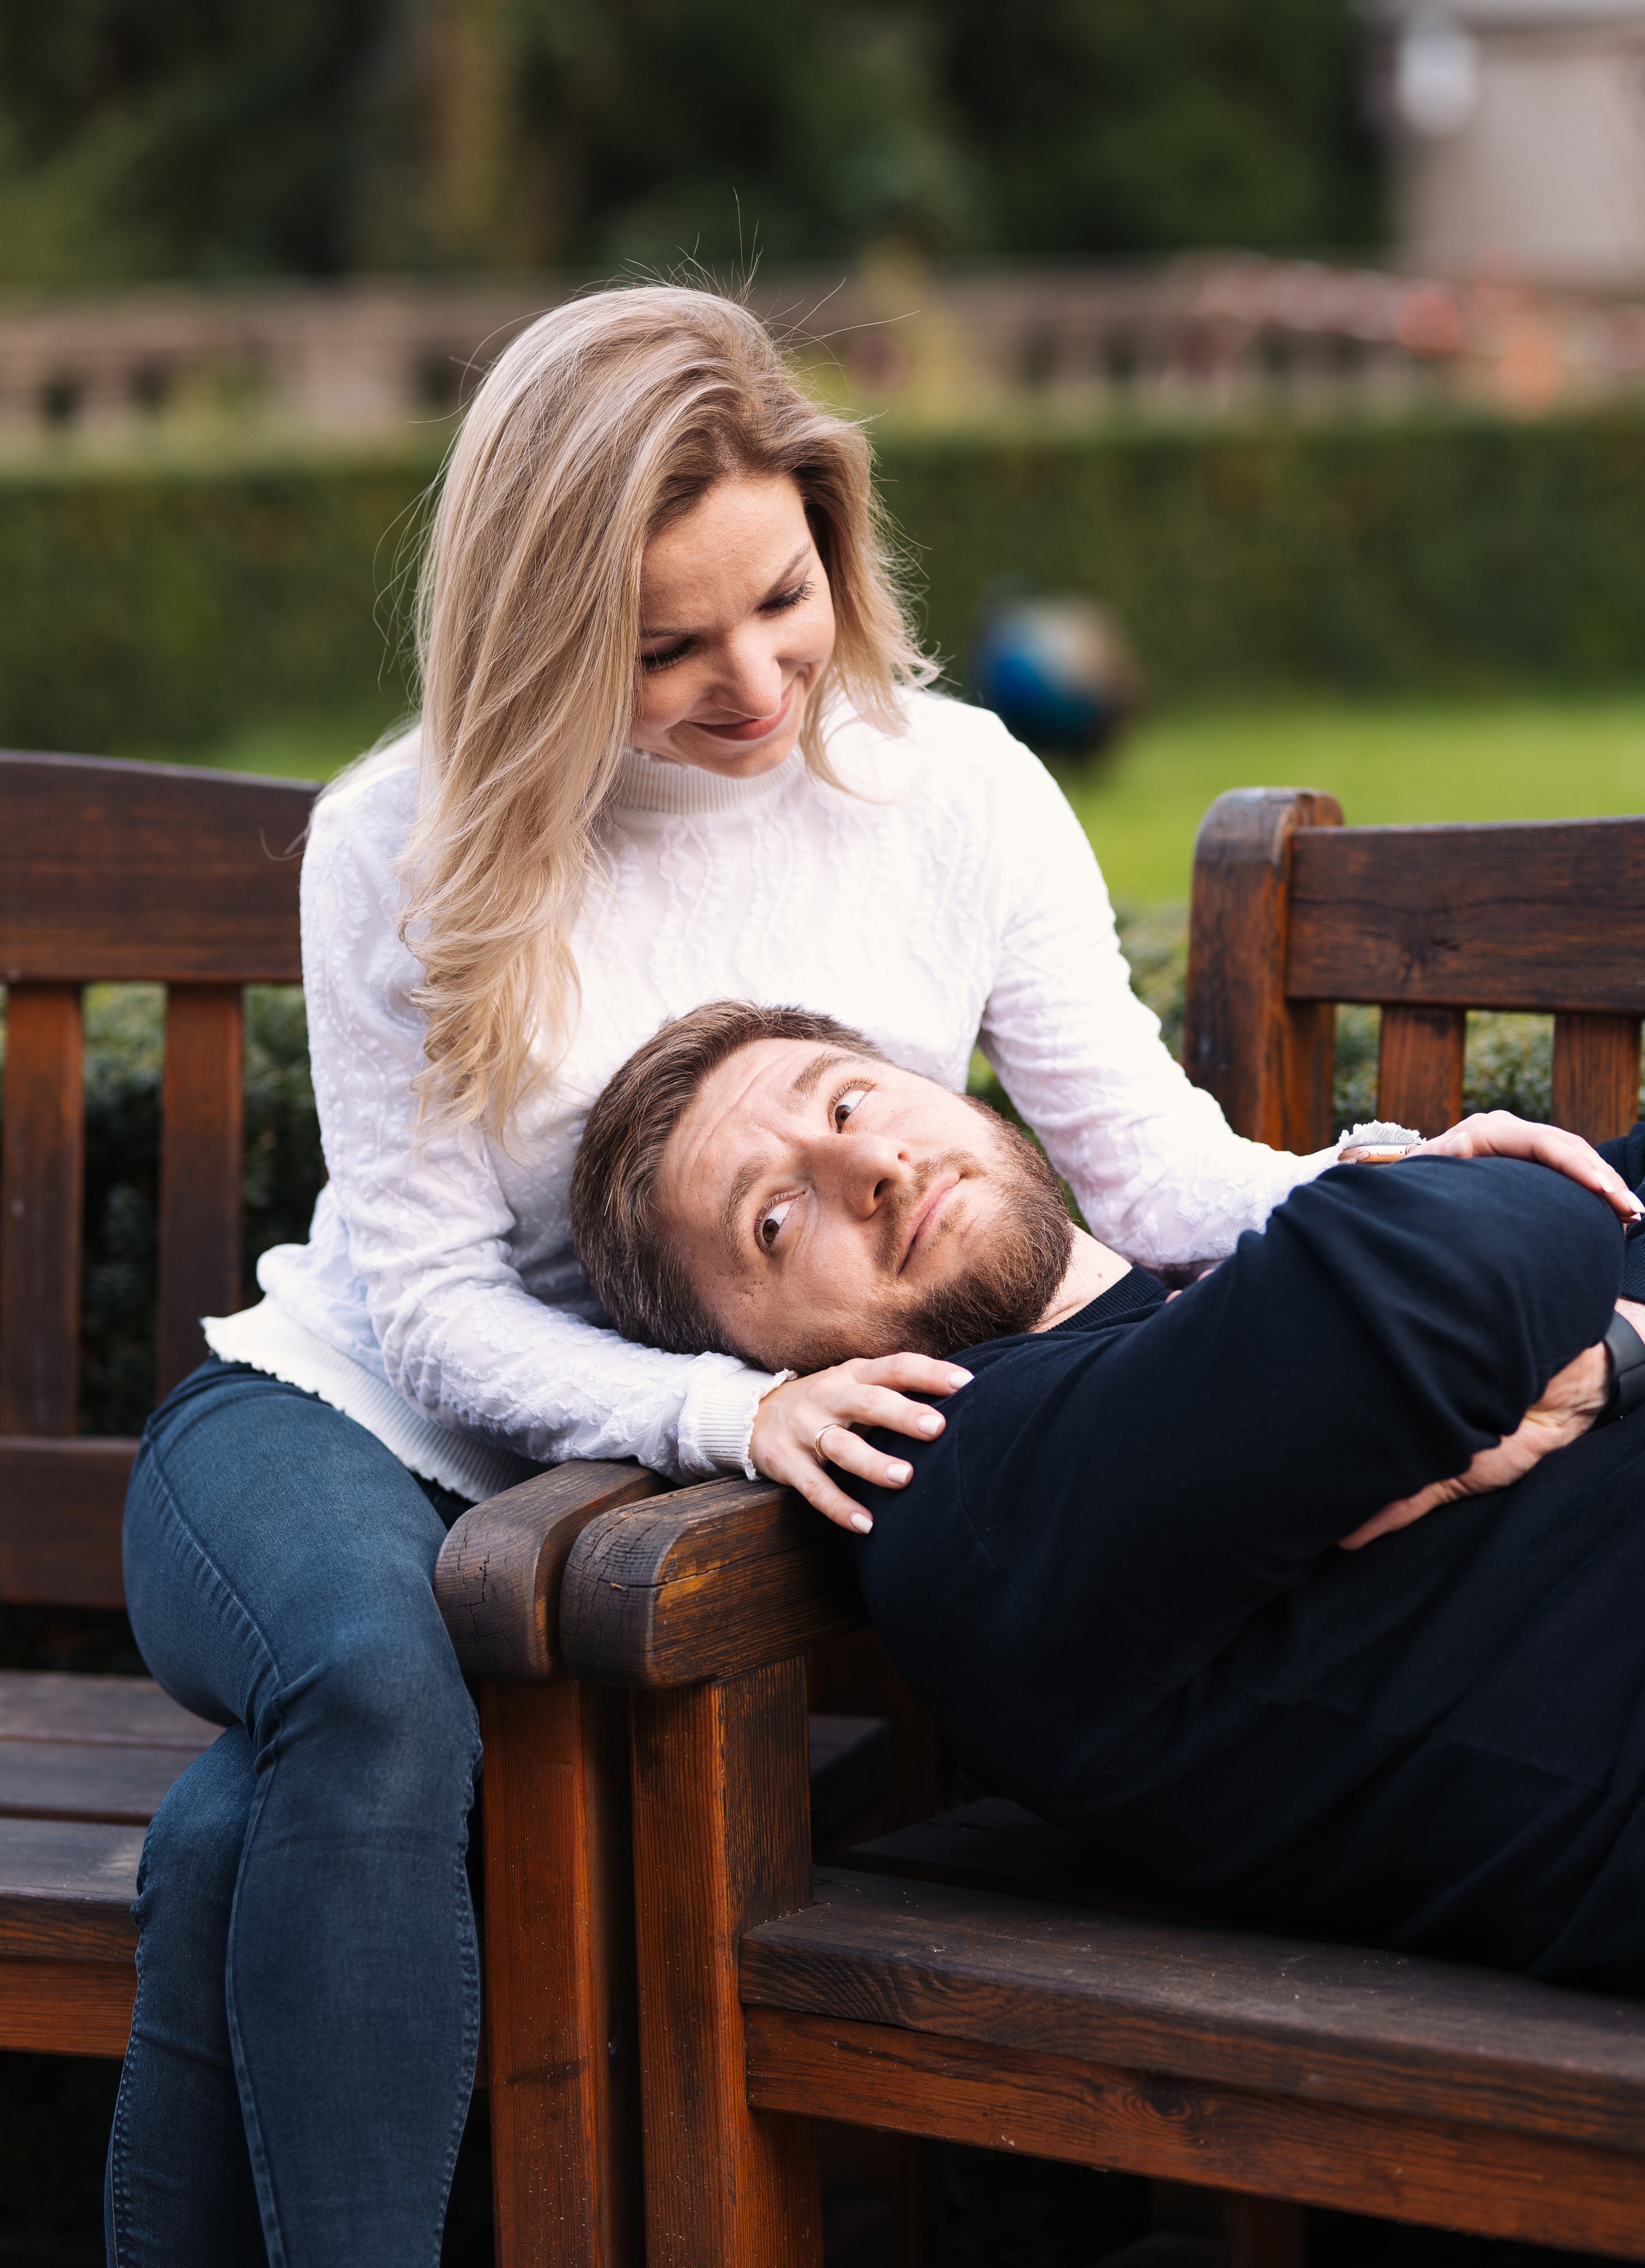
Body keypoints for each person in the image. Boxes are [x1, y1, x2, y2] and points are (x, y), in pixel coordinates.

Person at [114, 280, 1466, 2265]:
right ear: (545, 630)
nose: (754, 678)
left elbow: (1146, 1159)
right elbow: (419, 1303)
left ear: (834, 533)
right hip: (333, 1433)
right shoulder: (407, 835)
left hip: (608, 1523)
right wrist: (721, 1409)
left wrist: (1403, 1187)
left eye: (785, 596)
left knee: (238, 1834)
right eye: (665, 644)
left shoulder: (962, 788)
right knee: (375, 1700)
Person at [568, 999, 1645, 1992]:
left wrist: (1598, 1351)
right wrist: (1609, 1328)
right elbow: (1452, 1264)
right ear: (756, 1363)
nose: (871, 1163)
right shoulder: (968, 1493)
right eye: (775, 1220)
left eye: (849, 1100)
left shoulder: (1186, 1321)